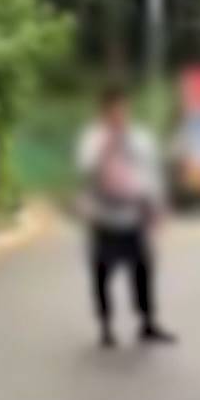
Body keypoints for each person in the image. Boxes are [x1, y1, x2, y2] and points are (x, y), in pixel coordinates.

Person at [76, 85, 176, 348]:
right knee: (102, 272)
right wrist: (107, 145)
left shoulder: (140, 138)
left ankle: (147, 322)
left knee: (143, 268)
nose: (119, 115)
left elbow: (151, 172)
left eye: (122, 109)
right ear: (103, 112)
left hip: (134, 213)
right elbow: (85, 169)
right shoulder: (93, 139)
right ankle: (106, 326)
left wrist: (157, 205)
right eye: (113, 111)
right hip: (103, 215)